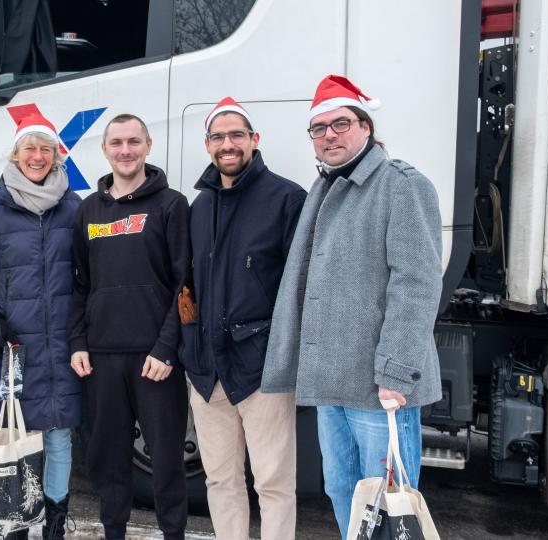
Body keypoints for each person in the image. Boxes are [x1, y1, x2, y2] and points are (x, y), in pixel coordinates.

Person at [261, 75, 444, 538]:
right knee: (345, 492)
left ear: (365, 126)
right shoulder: (325, 188)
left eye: (340, 123)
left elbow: (417, 283)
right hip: (333, 383)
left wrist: (396, 372)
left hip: (379, 386)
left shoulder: (400, 184)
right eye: (318, 129)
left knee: (388, 501)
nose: (329, 135)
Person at [182, 97, 306, 540]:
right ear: (207, 144)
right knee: (220, 480)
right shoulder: (199, 207)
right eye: (218, 136)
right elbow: (188, 287)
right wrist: (189, 345)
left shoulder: (287, 199)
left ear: (255, 140)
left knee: (273, 483)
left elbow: (300, 288)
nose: (227, 144)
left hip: (261, 370)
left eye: (237, 135)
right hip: (208, 372)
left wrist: (284, 355)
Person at [67, 113, 191, 540]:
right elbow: (79, 285)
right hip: (101, 358)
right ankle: (114, 533)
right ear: (104, 150)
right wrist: (78, 341)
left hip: (153, 359)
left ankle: (173, 534)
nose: (125, 150)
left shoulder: (171, 205)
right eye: (117, 142)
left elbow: (184, 285)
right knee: (109, 458)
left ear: (148, 146)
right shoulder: (88, 210)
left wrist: (167, 348)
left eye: (134, 141)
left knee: (167, 460)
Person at [0, 112, 82, 539]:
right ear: (15, 153)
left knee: (59, 435)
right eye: (29, 148)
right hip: (11, 344)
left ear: (56, 155)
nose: (37, 156)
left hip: (62, 345)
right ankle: (17, 525)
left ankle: (54, 523)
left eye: (45, 149)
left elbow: (85, 278)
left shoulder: (74, 206)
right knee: (19, 439)